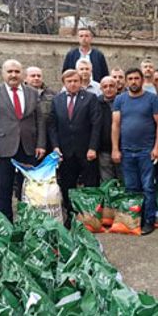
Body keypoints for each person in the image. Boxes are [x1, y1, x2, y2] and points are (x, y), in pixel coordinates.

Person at [0, 59, 46, 221]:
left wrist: (41, 144)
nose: (13, 75)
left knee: (29, 190)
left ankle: (28, 222)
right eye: (9, 72)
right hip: (2, 149)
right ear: (3, 74)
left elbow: (40, 120)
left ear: (22, 73)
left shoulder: (32, 92)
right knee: (3, 189)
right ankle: (6, 225)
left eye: (17, 71)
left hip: (29, 148)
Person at [112, 68, 158, 234]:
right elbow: (116, 125)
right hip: (126, 151)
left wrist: (157, 147)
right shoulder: (120, 99)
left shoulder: (152, 99)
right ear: (126, 82)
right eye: (130, 79)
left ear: (142, 80)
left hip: (146, 151)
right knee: (131, 187)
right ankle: (134, 219)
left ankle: (149, 220)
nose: (133, 81)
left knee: (148, 187)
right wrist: (115, 148)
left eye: (136, 78)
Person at [49, 69, 101, 224]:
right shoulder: (57, 100)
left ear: (80, 82)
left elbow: (96, 124)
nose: (73, 84)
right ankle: (71, 216)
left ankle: (90, 217)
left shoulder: (90, 98)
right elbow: (52, 125)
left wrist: (93, 147)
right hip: (65, 151)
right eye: (69, 81)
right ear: (64, 83)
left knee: (90, 184)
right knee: (67, 185)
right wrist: (55, 146)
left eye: (76, 81)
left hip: (86, 150)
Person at [97, 76, 122, 181]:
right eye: (105, 86)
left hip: (123, 148)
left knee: (124, 180)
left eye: (111, 86)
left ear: (116, 88)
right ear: (101, 89)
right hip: (104, 150)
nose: (108, 89)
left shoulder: (124, 101)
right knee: (107, 182)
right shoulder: (95, 104)